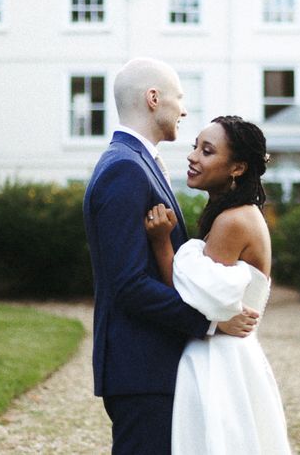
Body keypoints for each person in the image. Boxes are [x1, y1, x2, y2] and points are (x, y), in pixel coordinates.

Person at [83, 58, 258, 455]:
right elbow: (129, 285)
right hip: (141, 368)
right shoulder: (124, 169)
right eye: (179, 97)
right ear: (153, 98)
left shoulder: (137, 163)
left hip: (151, 366)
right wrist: (212, 322)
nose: (183, 108)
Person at [145, 115, 291, 454]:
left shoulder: (233, 221)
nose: (193, 156)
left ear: (237, 167)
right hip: (231, 354)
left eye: (207, 151)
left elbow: (187, 293)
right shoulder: (237, 213)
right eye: (196, 146)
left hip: (221, 361)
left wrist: (160, 242)